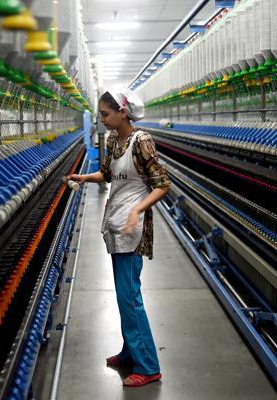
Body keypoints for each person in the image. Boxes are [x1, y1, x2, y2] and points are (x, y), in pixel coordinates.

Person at [64, 89, 170, 387]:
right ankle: (129, 353)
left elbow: (162, 185)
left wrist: (138, 209)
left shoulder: (142, 141)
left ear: (123, 112)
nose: (102, 120)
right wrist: (84, 178)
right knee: (124, 296)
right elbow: (108, 175)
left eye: (105, 114)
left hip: (132, 230)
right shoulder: (113, 140)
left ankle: (148, 366)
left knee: (131, 298)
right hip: (116, 224)